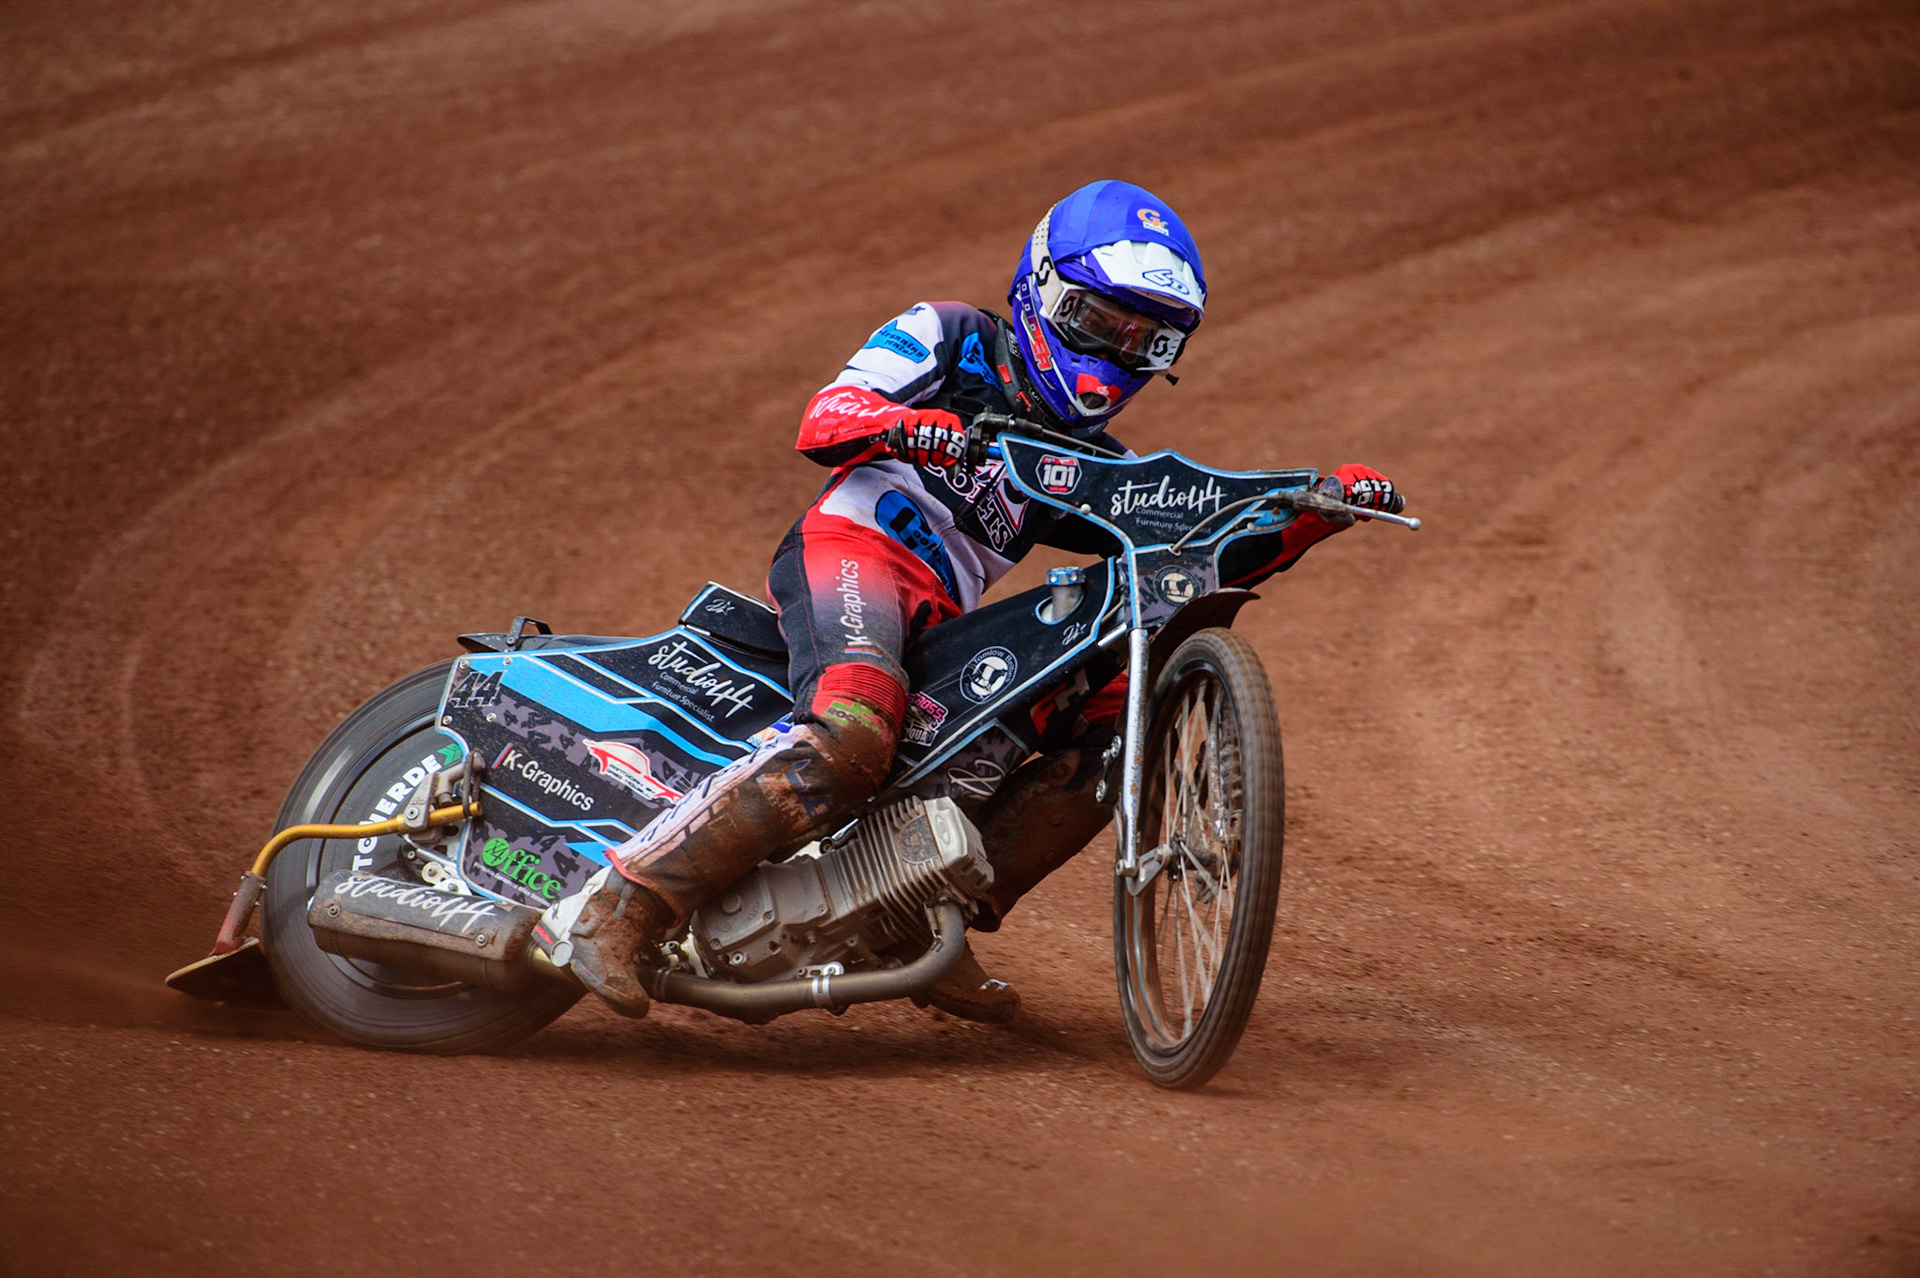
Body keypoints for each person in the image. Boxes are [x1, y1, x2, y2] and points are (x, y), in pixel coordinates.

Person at [566, 180, 1398, 1022]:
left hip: (941, 614)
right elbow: (823, 418)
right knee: (853, 734)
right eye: (1102, 324)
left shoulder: (1090, 458)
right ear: (1041, 291)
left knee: (1112, 735)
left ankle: (924, 922)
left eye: (1148, 342)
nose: (1116, 354)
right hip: (853, 554)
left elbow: (1192, 553)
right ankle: (621, 906)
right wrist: (904, 426)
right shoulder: (952, 336)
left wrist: (1315, 516)